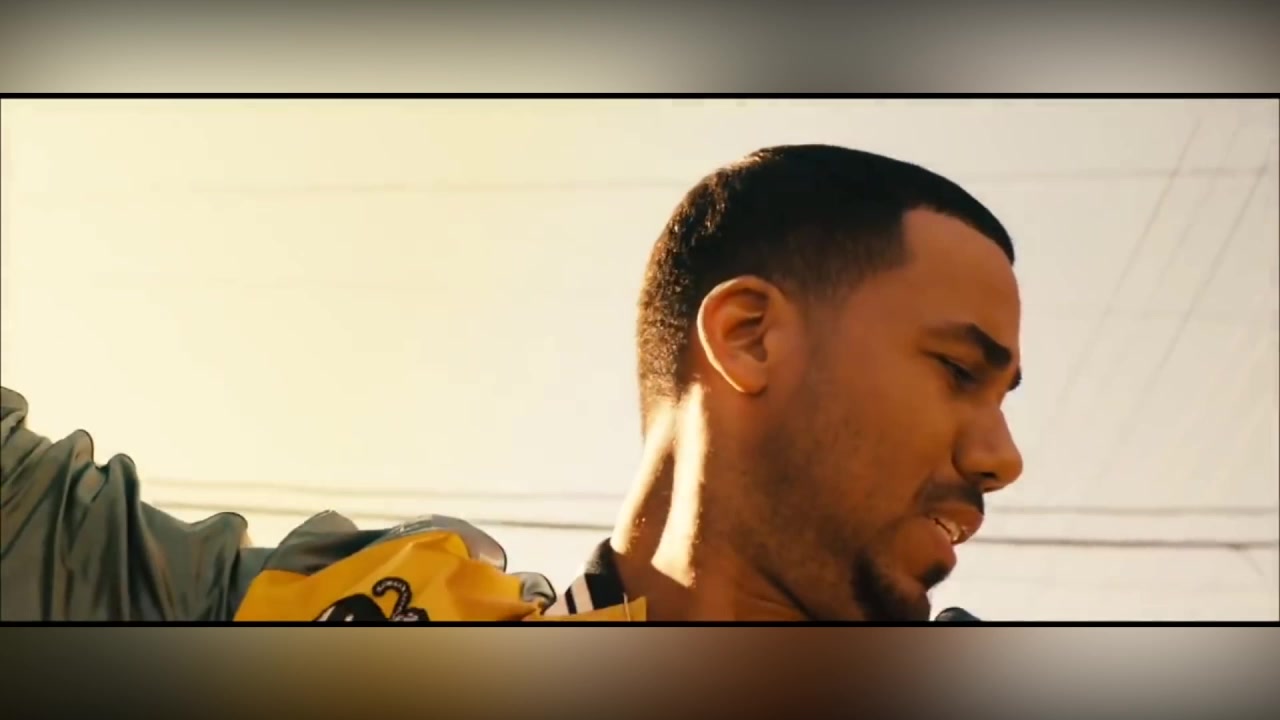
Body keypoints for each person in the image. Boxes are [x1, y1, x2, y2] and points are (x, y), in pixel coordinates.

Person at [0, 144, 1022, 622]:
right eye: (957, 372)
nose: (1001, 458)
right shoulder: (366, 620)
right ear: (747, 339)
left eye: (1004, 397)